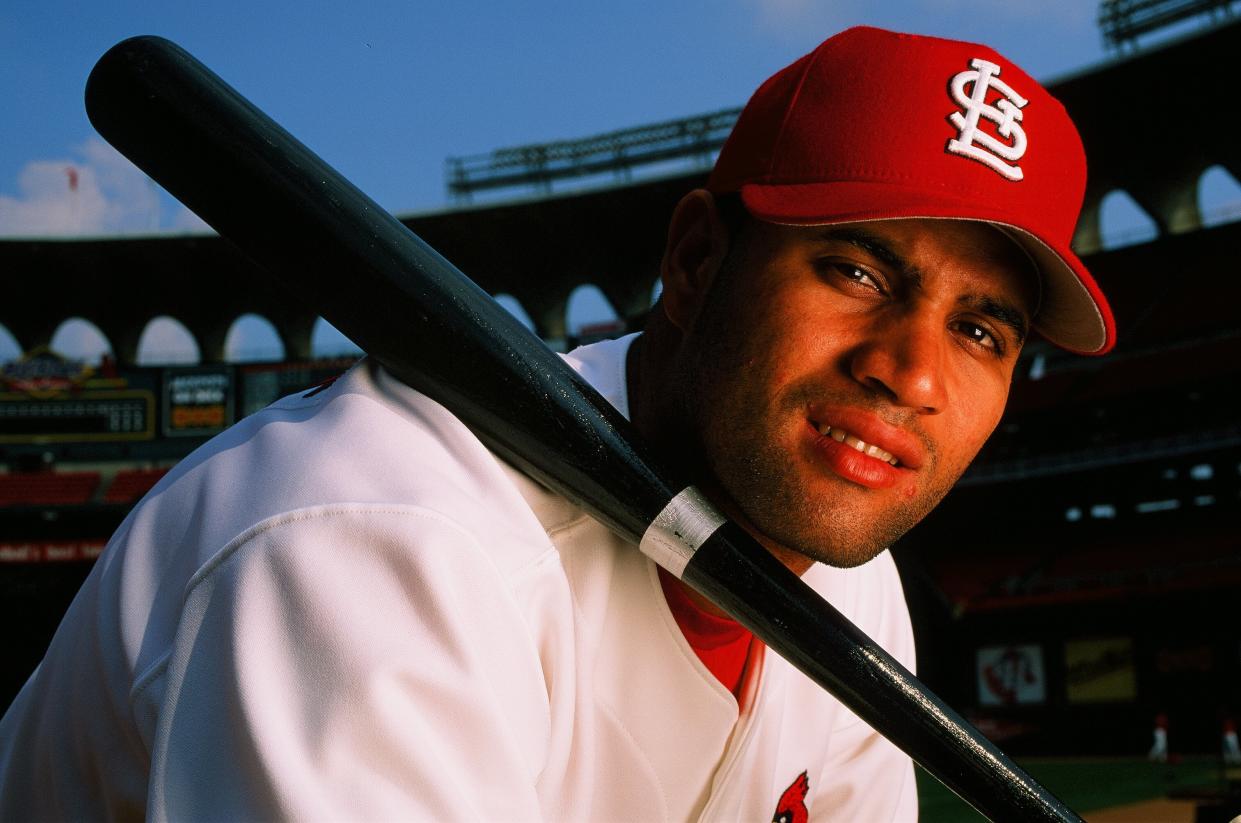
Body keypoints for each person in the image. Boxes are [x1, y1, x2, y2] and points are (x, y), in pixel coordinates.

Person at [0, 25, 1114, 820]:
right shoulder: (379, 540)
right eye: (856, 269)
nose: (909, 372)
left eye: (982, 332)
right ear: (693, 261)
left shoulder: (846, 573)